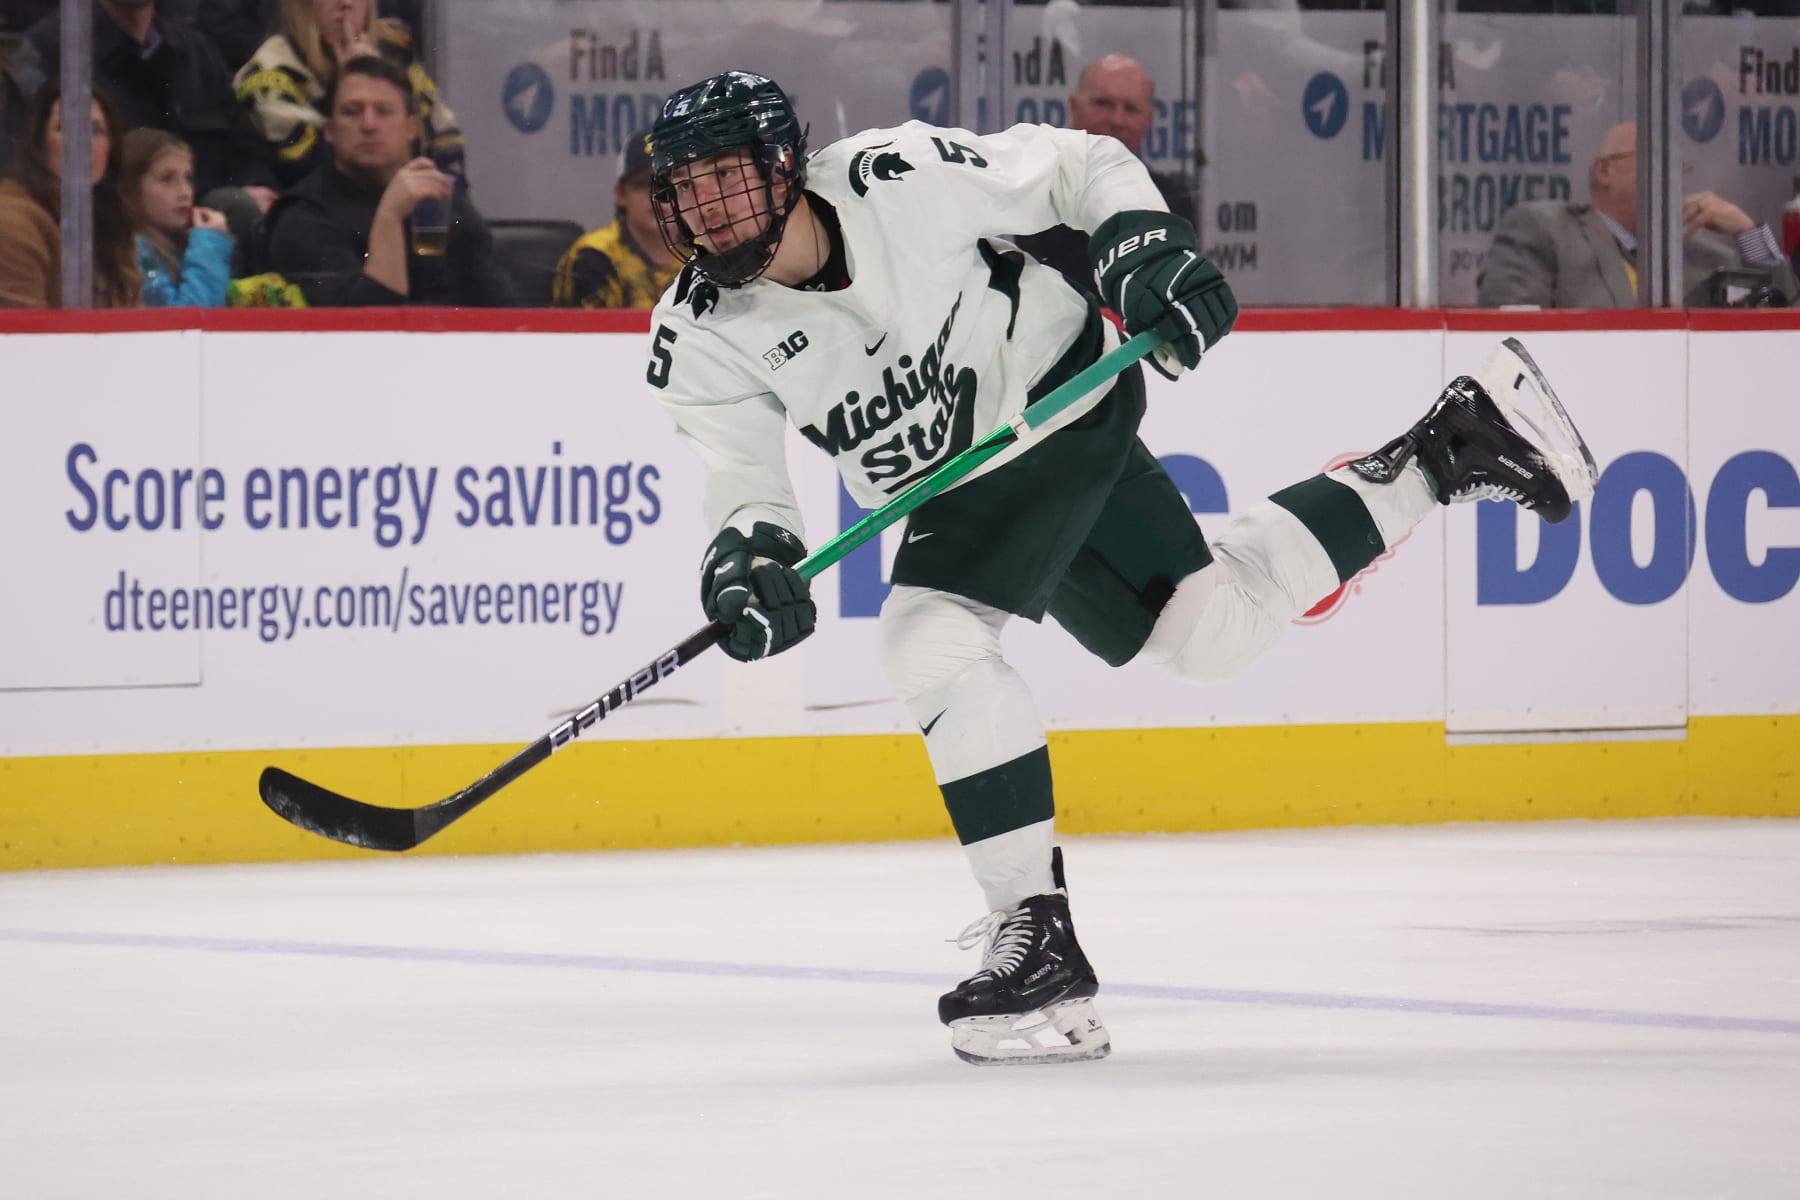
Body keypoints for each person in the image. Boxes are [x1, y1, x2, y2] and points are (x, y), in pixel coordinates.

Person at [641, 71, 1598, 1065]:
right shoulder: (696, 336)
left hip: (1055, 401)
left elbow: (1080, 166)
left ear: (786, 167)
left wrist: (1141, 246)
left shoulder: (897, 177)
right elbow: (745, 484)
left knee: (929, 637)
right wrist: (751, 563)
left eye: (727, 177)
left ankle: (1036, 934)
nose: (706, 208)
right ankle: (1452, 448)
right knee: (1209, 629)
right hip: (964, 481)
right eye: (686, 188)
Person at [261, 54, 507, 306]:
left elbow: (507, 312)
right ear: (330, 131)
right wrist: (389, 216)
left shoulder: (446, 202)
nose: (368, 125)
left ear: (411, 129)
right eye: (351, 112)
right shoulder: (302, 216)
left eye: (384, 111)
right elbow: (371, 333)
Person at [1478, 121, 1798, 308]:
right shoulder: (1546, 229)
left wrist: (1749, 233)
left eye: (1679, 168)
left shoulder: (1707, 253)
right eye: (1658, 162)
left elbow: (1787, 311)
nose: (1673, 178)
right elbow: (1511, 335)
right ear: (1605, 171)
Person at [11, 0, 263, 232]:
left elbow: (247, 145)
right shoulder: (44, 57)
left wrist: (255, 188)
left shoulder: (195, 52)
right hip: (108, 237)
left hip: (211, 230)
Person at [232, 0, 462, 196]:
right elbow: (326, 168)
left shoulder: (394, 50)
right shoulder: (270, 73)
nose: (346, 4)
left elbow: (446, 140)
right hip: (319, 212)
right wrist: (352, 82)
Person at [1015, 53, 1199, 296]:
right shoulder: (1031, 185)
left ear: (1150, 119)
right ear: (1073, 106)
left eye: (1131, 109)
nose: (1116, 120)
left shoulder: (1174, 200)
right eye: (1102, 104)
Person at [0, 82, 138, 307]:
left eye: (96, 130)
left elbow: (136, 323)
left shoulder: (113, 220)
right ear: (39, 142)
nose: (83, 142)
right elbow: (25, 335)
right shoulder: (9, 221)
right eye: (67, 128)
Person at [552, 130, 681, 310]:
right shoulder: (593, 256)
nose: (656, 196)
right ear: (621, 194)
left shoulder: (706, 252)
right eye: (642, 184)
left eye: (666, 183)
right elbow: (595, 336)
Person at [121, 127, 233, 306]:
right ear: (131, 188)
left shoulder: (184, 243)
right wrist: (209, 245)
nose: (185, 192)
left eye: (188, 178)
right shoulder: (133, 251)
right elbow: (183, 324)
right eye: (167, 179)